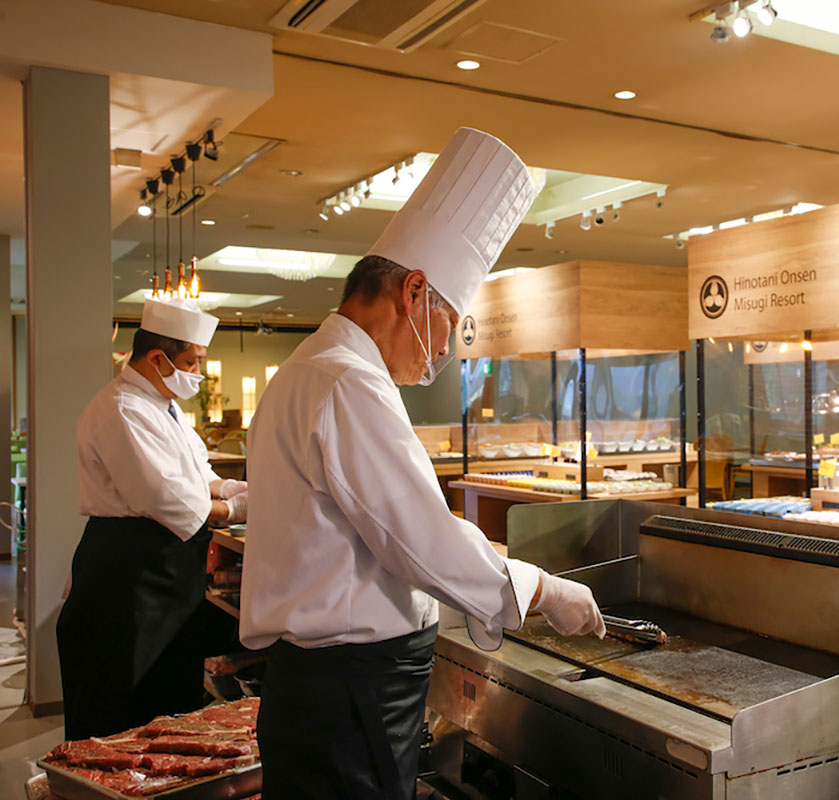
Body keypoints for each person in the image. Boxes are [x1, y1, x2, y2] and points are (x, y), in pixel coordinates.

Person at [241, 128, 605, 800]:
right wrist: (542, 589)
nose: (440, 350)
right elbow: (421, 540)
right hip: (351, 691)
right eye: (448, 323)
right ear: (412, 293)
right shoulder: (348, 381)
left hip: (320, 687)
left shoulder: (307, 370)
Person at [60, 297, 248, 739]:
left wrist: (231, 487)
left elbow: (198, 472)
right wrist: (236, 509)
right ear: (157, 358)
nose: (197, 374)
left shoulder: (166, 406)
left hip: (166, 577)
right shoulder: (121, 408)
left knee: (166, 704)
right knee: (120, 710)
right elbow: (175, 503)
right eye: (192, 362)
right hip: (127, 577)